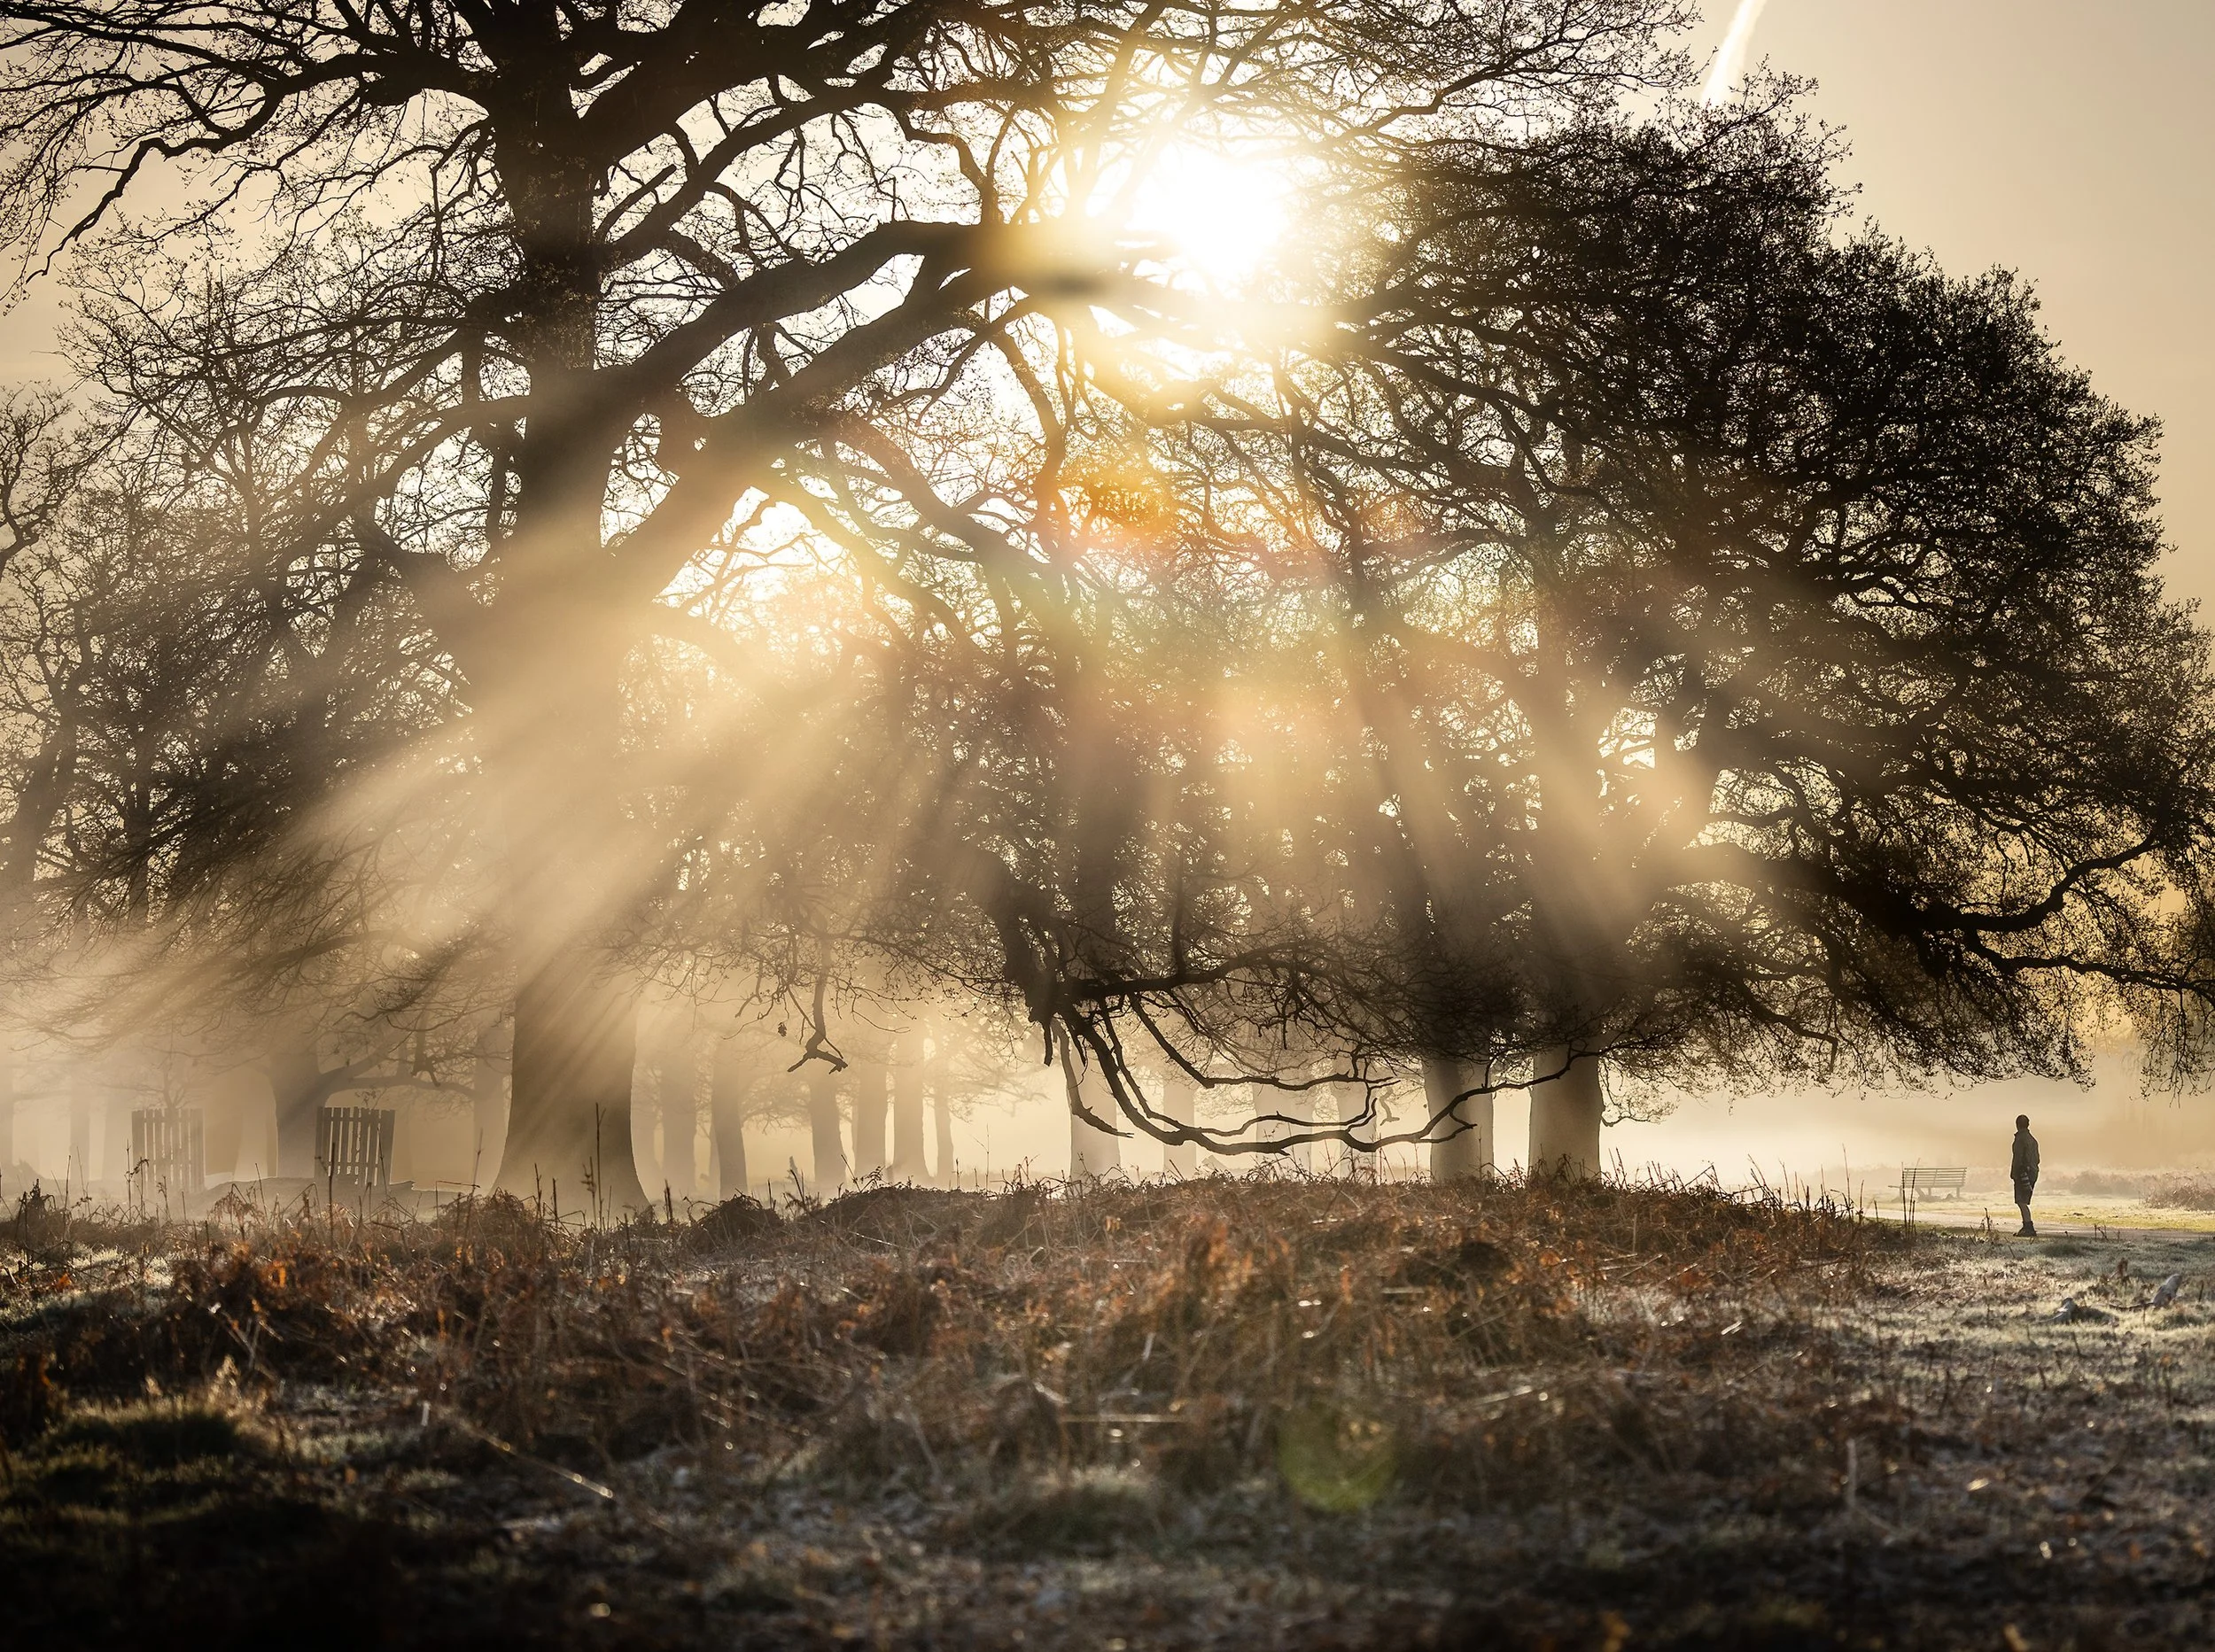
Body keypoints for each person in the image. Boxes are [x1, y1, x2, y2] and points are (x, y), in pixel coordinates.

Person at [2010, 1113, 2040, 1237]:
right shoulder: (2032, 1139)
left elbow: (2018, 1158)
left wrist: (2014, 1173)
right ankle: (2027, 1226)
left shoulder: (2020, 1139)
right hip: (2033, 1173)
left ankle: (2028, 1226)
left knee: (2021, 1201)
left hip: (2022, 1174)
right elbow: (2038, 1159)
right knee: (2024, 1201)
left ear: (2017, 1125)